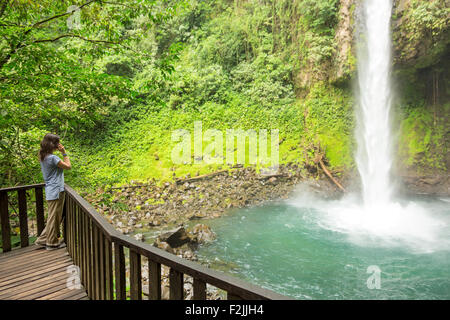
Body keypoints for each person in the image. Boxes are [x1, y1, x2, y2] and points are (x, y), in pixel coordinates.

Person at [35, 133, 72, 250]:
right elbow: (68, 166)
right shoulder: (53, 158)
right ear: (53, 144)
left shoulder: (43, 156)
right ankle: (51, 243)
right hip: (56, 190)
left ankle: (42, 240)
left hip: (50, 190)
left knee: (53, 217)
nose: (59, 145)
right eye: (57, 143)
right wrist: (64, 153)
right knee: (54, 217)